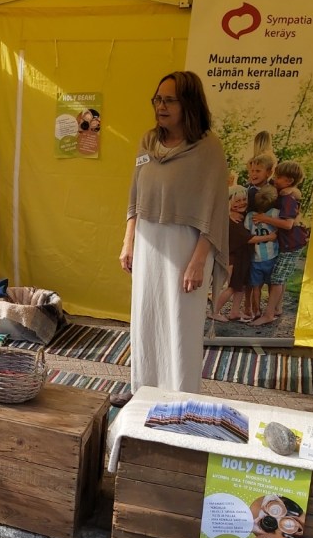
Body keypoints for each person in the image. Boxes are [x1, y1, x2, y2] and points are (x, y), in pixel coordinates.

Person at [114, 71, 229, 406]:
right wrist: (128, 241)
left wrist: (199, 261)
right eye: (157, 99)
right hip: (148, 241)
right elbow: (135, 195)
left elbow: (215, 209)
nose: (160, 106)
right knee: (146, 318)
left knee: (180, 325)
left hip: (186, 247)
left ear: (189, 104)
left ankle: (180, 400)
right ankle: (143, 392)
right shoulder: (148, 142)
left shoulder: (208, 149)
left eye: (169, 100)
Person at [250, 161, 309, 326]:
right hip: (289, 243)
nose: (274, 179)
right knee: (280, 277)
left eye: (278, 177)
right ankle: (277, 308)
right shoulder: (285, 192)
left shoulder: (289, 198)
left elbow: (288, 224)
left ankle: (269, 314)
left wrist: (264, 218)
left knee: (276, 278)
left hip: (292, 244)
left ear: (289, 181)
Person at [210, 186, 253, 322]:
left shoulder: (243, 216)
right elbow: (247, 239)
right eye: (237, 201)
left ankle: (235, 311)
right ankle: (214, 311)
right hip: (235, 257)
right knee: (233, 286)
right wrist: (270, 237)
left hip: (244, 257)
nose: (241, 203)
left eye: (244, 199)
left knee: (241, 286)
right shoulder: (230, 220)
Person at [244, 183, 279, 321]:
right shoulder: (275, 213)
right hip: (271, 256)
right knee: (272, 284)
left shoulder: (249, 216)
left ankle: (256, 310)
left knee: (256, 286)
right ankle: (272, 309)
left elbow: (247, 232)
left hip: (255, 257)